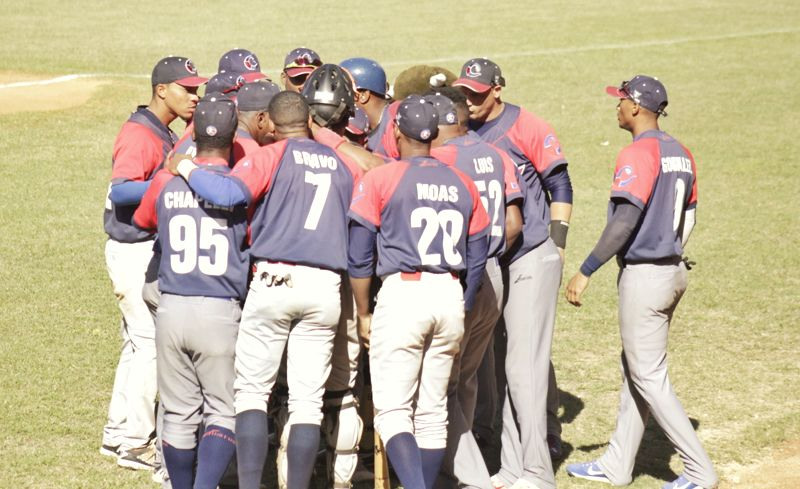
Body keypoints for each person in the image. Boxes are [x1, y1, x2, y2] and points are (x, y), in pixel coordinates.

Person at [166, 90, 363, 489]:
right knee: (307, 402)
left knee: (253, 394)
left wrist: (185, 168)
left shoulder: (271, 155)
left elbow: (227, 193)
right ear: (308, 122)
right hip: (325, 287)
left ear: (270, 125)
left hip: (276, 280)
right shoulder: (342, 165)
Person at [564, 75, 718, 489]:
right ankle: (617, 464)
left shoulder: (638, 153)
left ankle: (699, 472)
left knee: (649, 375)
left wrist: (587, 268)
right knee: (637, 368)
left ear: (636, 107)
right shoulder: (681, 153)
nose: (616, 107)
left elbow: (625, 219)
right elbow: (690, 216)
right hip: (672, 271)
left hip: (646, 277)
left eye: (620, 101)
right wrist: (669, 253)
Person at [348, 95, 490, 489]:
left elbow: (359, 256)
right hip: (448, 293)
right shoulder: (462, 181)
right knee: (431, 413)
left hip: (404, 293)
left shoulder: (381, 177)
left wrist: (363, 311)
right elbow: (477, 256)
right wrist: (461, 303)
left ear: (396, 132)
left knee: (393, 411)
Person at [454, 58, 572, 489]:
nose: (470, 100)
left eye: (478, 93)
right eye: (464, 92)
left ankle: (539, 471)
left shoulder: (528, 126)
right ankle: (513, 465)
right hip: (493, 263)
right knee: (504, 365)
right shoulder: (463, 133)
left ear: (498, 90)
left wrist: (558, 246)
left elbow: (560, 183)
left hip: (530, 255)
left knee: (523, 367)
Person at [133, 94, 248, 489]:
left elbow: (142, 219)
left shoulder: (167, 180)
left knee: (179, 413)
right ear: (234, 138)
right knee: (222, 411)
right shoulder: (238, 184)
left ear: (193, 133)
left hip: (172, 307)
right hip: (219, 310)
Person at [102, 56, 205, 472]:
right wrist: (171, 178)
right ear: (162, 90)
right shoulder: (140, 134)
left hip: (135, 248)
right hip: (133, 249)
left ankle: (116, 433)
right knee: (149, 347)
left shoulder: (158, 129)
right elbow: (122, 190)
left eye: (197, 90)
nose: (195, 97)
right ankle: (136, 443)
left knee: (136, 343)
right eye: (187, 89)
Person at [425, 90, 523, 489]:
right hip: (495, 277)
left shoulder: (443, 159)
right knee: (464, 380)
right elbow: (514, 222)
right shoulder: (496, 153)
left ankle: (471, 476)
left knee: (442, 385)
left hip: (462, 279)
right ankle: (454, 471)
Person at [339, 57, 398, 158]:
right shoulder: (356, 125)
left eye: (343, 92)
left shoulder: (396, 123)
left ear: (363, 96)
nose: (338, 97)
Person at [234, 81, 282, 160]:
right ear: (261, 119)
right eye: (276, 121)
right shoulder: (255, 154)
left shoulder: (222, 141)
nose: (276, 129)